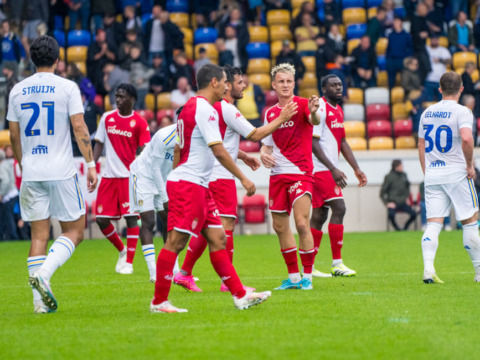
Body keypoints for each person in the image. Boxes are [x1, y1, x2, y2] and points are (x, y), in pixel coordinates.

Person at [151, 64, 271, 313]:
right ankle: (159, 302)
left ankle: (239, 296)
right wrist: (244, 178)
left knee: (217, 238)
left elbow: (189, 146)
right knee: (175, 241)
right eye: (226, 82)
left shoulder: (191, 108)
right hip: (189, 183)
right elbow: (217, 149)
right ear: (214, 82)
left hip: (198, 183)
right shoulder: (205, 109)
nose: (227, 86)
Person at [173, 64, 293, 292]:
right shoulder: (226, 108)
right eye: (239, 82)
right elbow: (256, 133)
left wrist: (244, 155)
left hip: (212, 175)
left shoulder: (213, 107)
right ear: (226, 85)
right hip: (220, 176)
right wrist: (281, 119)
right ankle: (224, 283)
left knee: (210, 228)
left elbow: (218, 142)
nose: (244, 85)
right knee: (224, 226)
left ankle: (186, 273)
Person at [7, 35, 98, 313]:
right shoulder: (67, 87)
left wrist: (24, 165)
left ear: (32, 60)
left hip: (32, 171)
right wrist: (91, 163)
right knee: (74, 231)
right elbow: (80, 127)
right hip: (60, 169)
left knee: (38, 237)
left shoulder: (17, 90)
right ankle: (44, 274)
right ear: (57, 59)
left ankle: (39, 305)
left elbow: (13, 135)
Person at [260, 63, 320, 290]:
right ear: (273, 85)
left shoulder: (304, 104)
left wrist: (314, 111)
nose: (285, 85)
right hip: (277, 175)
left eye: (289, 81)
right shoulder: (270, 113)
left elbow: (314, 121)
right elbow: (266, 145)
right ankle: (293, 277)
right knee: (280, 227)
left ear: (294, 84)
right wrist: (263, 154)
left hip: (301, 173)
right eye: (281, 81)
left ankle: (308, 277)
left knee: (302, 224)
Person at [418, 71, 480, 284]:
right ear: (462, 89)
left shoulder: (427, 112)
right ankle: (479, 272)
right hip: (457, 172)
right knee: (470, 221)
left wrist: (427, 171)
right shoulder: (463, 112)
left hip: (433, 173)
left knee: (433, 224)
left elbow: (421, 144)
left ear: (440, 89)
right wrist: (470, 165)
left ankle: (428, 270)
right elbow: (466, 138)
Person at [310, 75, 368, 277]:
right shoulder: (321, 109)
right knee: (339, 207)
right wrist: (333, 169)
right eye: (333, 85)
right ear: (324, 89)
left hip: (325, 168)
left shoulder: (338, 110)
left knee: (319, 216)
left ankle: (308, 268)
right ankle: (337, 263)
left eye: (340, 85)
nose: (338, 88)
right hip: (320, 168)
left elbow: (342, 141)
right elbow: (313, 143)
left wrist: (356, 168)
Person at [93, 84, 150, 275]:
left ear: (132, 99)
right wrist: (92, 167)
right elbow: (99, 143)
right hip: (109, 177)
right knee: (100, 219)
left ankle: (130, 263)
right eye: (116, 96)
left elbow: (145, 151)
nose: (117, 100)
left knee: (131, 218)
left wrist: (143, 176)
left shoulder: (140, 122)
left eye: (122, 97)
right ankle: (122, 250)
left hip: (129, 177)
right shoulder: (107, 118)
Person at [129, 123, 177, 282]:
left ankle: (175, 271)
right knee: (148, 221)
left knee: (169, 220)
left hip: (162, 178)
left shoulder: (191, 136)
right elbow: (155, 168)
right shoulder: (165, 135)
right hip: (143, 176)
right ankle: (153, 273)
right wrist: (165, 198)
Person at [380, 160, 417, 231]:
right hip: (393, 202)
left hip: (403, 202)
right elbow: (382, 193)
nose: (402, 167)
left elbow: (407, 187)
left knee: (414, 214)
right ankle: (397, 229)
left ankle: (405, 227)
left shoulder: (404, 175)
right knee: (391, 214)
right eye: (400, 166)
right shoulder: (389, 177)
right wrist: (387, 203)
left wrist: (407, 198)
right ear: (396, 167)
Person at [386, 17, 413, 88]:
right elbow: (388, 48)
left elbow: (410, 48)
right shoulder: (391, 35)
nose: (395, 23)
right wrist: (388, 59)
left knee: (405, 82)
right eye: (394, 21)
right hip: (392, 61)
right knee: (391, 82)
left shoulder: (406, 35)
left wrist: (407, 58)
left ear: (401, 23)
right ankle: (391, 97)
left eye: (397, 21)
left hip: (403, 61)